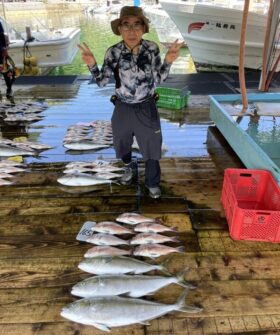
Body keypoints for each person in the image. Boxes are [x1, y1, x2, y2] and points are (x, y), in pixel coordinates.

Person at [78, 6, 183, 198]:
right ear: (119, 29)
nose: (131, 31)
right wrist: (92, 64)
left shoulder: (151, 48)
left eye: (136, 25)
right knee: (121, 142)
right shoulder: (113, 52)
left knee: (152, 145)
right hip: (123, 105)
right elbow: (102, 82)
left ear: (144, 28)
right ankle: (128, 166)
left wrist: (168, 61)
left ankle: (152, 182)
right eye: (126, 26)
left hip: (147, 105)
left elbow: (159, 79)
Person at [0, 21, 15, 99]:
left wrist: (4, 49)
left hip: (0, 51)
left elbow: (2, 36)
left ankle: (9, 89)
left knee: (5, 71)